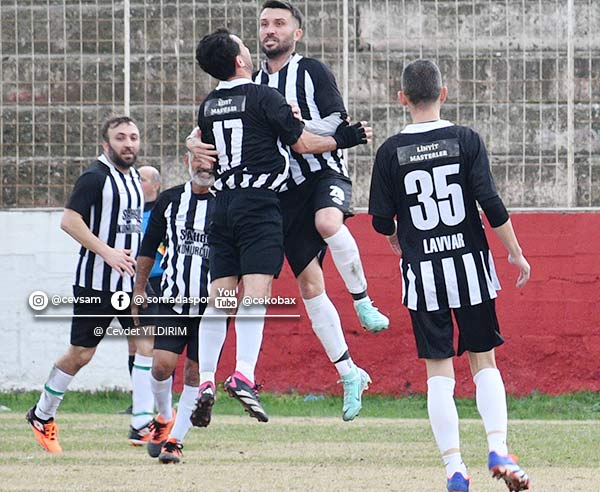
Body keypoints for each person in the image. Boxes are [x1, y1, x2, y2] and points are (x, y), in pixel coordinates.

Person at [187, 0, 379, 421]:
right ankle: (330, 371)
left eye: (278, 23)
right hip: (271, 199)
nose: (268, 30)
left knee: (224, 296)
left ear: (297, 32)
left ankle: (363, 301)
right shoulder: (260, 90)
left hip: (285, 186)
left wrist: (194, 145)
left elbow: (329, 122)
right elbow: (298, 141)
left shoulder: (306, 73)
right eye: (262, 25)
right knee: (288, 289)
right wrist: (344, 137)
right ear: (241, 57)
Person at [368, 59, 531, 492]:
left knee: (438, 373)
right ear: (444, 93)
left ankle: (455, 469)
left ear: (402, 98)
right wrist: (515, 253)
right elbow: (490, 204)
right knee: (484, 361)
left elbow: (380, 220)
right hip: (470, 268)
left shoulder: (390, 151)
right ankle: (498, 449)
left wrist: (397, 236)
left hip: (423, 276)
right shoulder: (465, 139)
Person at [26, 115, 153, 453]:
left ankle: (142, 423)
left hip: (130, 283)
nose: (128, 144)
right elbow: (70, 221)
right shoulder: (95, 177)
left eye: (133, 137)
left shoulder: (134, 178)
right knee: (81, 354)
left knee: (148, 341)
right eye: (121, 137)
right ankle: (42, 414)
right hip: (96, 284)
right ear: (106, 144)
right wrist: (107, 252)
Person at [132, 152, 215, 464]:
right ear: (186, 160)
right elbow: (148, 247)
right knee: (161, 366)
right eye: (198, 159)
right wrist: (139, 290)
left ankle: (175, 441)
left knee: (194, 371)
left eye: (211, 160)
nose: (204, 166)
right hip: (172, 301)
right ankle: (165, 417)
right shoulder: (170, 200)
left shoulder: (228, 202)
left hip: (210, 308)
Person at [118, 165, 164, 416]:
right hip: (132, 282)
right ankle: (139, 400)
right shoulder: (128, 212)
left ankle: (160, 400)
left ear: (156, 185)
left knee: (156, 344)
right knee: (133, 343)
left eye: (142, 179)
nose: (137, 182)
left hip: (159, 281)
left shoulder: (164, 211)